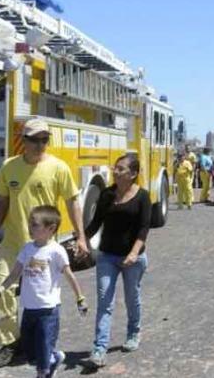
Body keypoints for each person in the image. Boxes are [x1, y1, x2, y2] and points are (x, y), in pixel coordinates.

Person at [0, 118, 86, 369]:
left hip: (42, 246)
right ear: (24, 141)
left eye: (44, 139)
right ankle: (9, 344)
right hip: (13, 242)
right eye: (34, 139)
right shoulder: (9, 167)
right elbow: (2, 202)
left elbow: (73, 201)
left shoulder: (58, 168)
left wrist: (81, 235)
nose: (40, 144)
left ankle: (40, 344)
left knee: (41, 298)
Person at [0, 205, 87, 378]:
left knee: (43, 353)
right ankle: (54, 357)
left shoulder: (56, 250)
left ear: (50, 229)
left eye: (34, 225)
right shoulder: (27, 249)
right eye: (29, 224)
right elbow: (14, 274)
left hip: (48, 310)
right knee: (31, 352)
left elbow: (70, 276)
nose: (29, 228)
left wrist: (80, 299)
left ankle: (45, 371)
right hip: (29, 309)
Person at [83, 154, 152, 368]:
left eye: (121, 169)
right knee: (105, 302)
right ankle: (99, 350)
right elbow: (95, 224)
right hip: (107, 257)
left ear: (133, 174)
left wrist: (133, 253)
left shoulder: (143, 196)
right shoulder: (106, 195)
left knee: (132, 298)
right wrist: (82, 240)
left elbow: (143, 228)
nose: (115, 171)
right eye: (115, 168)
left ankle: (133, 332)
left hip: (134, 258)